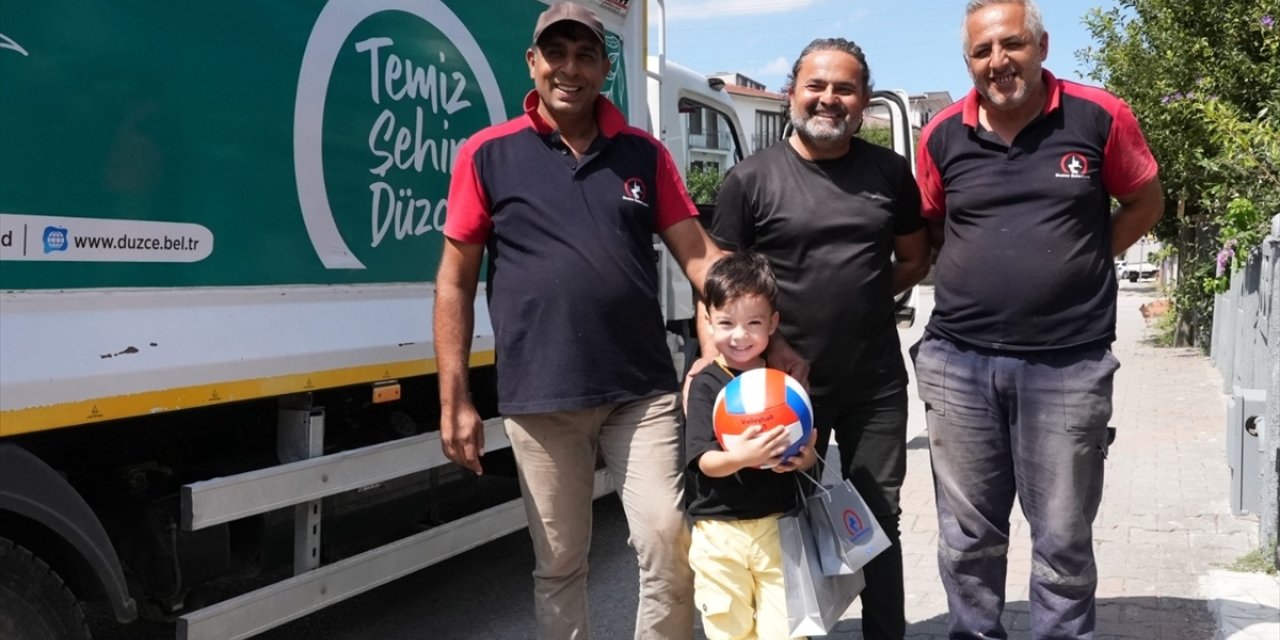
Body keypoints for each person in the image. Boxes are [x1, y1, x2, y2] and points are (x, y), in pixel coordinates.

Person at [433, 3, 721, 638]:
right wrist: (454, 398)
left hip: (641, 392)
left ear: (605, 69)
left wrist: (765, 316)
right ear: (533, 63)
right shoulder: (487, 154)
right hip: (542, 396)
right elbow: (454, 282)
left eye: (586, 55)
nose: (571, 68)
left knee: (668, 545)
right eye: (556, 54)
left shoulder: (642, 155)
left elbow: (701, 258)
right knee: (560, 564)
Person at [912, 1, 1164, 637]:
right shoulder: (941, 132)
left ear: (1042, 46)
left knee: (1063, 538)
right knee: (966, 539)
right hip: (959, 363)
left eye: (1012, 43)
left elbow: (1143, 202)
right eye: (981, 51)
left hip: (1067, 362)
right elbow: (934, 225)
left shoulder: (1099, 116)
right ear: (968, 61)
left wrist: (1084, 257)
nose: (998, 61)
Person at [706, 38, 931, 640]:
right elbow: (722, 291)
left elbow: (912, 258)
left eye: (845, 89)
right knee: (781, 514)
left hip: (874, 382)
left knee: (875, 517)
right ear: (792, 94)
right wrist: (764, 350)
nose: (829, 99)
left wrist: (858, 300)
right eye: (817, 86)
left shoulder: (888, 172)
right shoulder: (750, 180)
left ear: (863, 103)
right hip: (778, 389)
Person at [684, 251, 819, 640]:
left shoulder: (784, 386)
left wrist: (804, 459)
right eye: (725, 323)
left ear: (773, 324)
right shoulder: (706, 385)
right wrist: (742, 457)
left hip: (780, 526)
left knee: (788, 630)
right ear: (708, 323)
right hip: (720, 532)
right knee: (730, 630)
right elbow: (703, 461)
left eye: (753, 323)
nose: (739, 335)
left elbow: (807, 450)